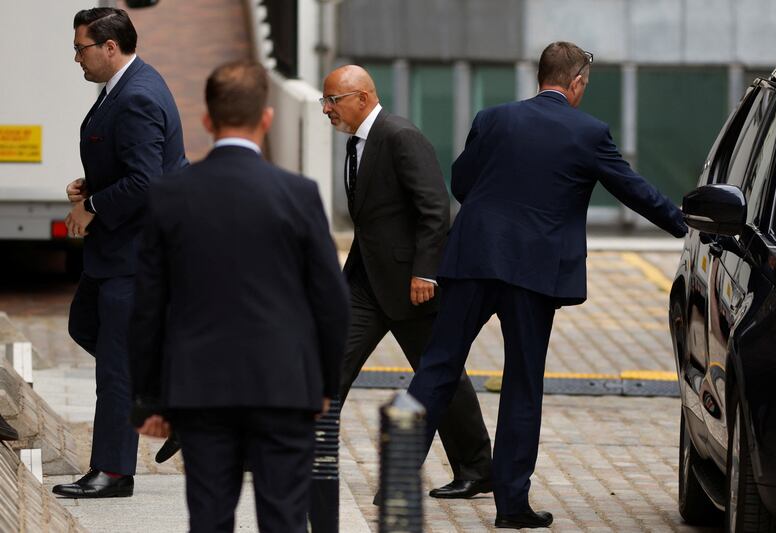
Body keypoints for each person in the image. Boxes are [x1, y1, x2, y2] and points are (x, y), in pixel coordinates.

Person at [407, 41, 689, 529]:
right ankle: (511, 506)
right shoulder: (588, 132)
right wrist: (687, 225)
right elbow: (633, 189)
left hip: (473, 257)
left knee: (436, 368)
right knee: (522, 384)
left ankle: (393, 483)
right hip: (533, 273)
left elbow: (462, 183)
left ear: (542, 76)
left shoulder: (492, 118)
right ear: (576, 82)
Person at [129, 60, 350, 533]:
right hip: (285, 386)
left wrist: (148, 398)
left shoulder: (170, 195)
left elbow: (148, 304)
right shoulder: (298, 194)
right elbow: (332, 302)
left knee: (209, 517)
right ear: (266, 118)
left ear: (207, 121)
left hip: (200, 387)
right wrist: (326, 387)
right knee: (285, 517)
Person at [320, 65, 493, 499]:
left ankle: (478, 468)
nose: (326, 109)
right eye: (325, 101)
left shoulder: (400, 136)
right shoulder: (358, 142)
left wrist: (425, 272)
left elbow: (435, 208)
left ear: (362, 97)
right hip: (366, 282)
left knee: (441, 377)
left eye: (332, 101)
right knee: (329, 362)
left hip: (411, 286)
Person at [53, 7, 188, 499]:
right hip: (120, 248)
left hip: (137, 251)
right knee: (84, 325)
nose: (76, 58)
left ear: (110, 47)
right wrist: (95, 182)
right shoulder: (127, 87)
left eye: (81, 48)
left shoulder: (136, 96)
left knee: (114, 366)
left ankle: (112, 471)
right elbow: (141, 164)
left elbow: (148, 181)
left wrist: (92, 205)